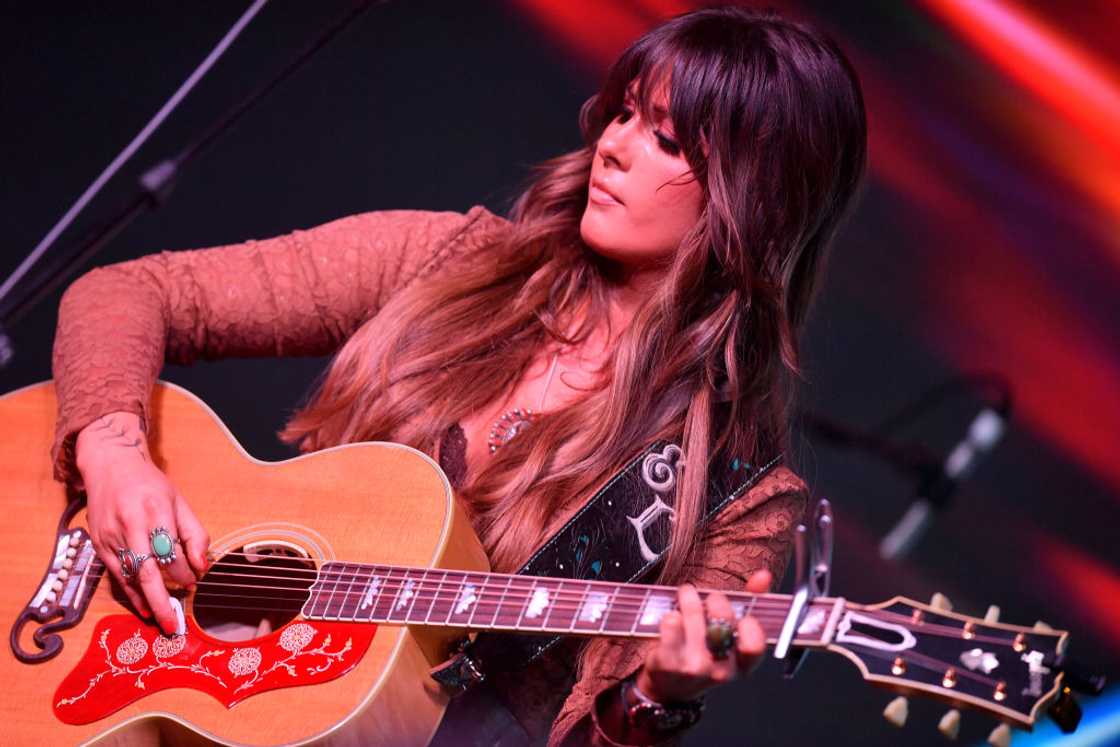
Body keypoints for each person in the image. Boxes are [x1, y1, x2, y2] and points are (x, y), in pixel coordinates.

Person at [51, 7, 866, 745]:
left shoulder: (735, 492)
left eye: (665, 140)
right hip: (154, 667)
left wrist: (655, 695)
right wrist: (115, 449)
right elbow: (129, 292)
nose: (611, 144)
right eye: (622, 112)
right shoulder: (447, 259)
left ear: (751, 201)